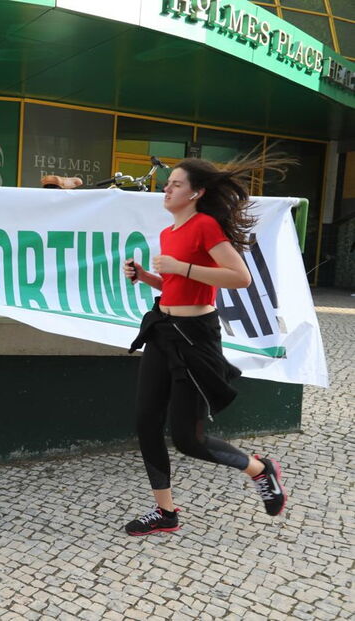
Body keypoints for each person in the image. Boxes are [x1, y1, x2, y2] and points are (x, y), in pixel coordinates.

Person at [122, 152, 294, 536]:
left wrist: (180, 267)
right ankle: (165, 512)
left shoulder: (204, 226)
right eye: (167, 184)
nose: (167, 189)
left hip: (196, 338)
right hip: (163, 330)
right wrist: (147, 277)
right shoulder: (169, 232)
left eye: (176, 184)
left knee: (190, 440)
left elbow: (240, 277)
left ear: (196, 193)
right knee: (146, 422)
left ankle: (260, 469)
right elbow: (177, 286)